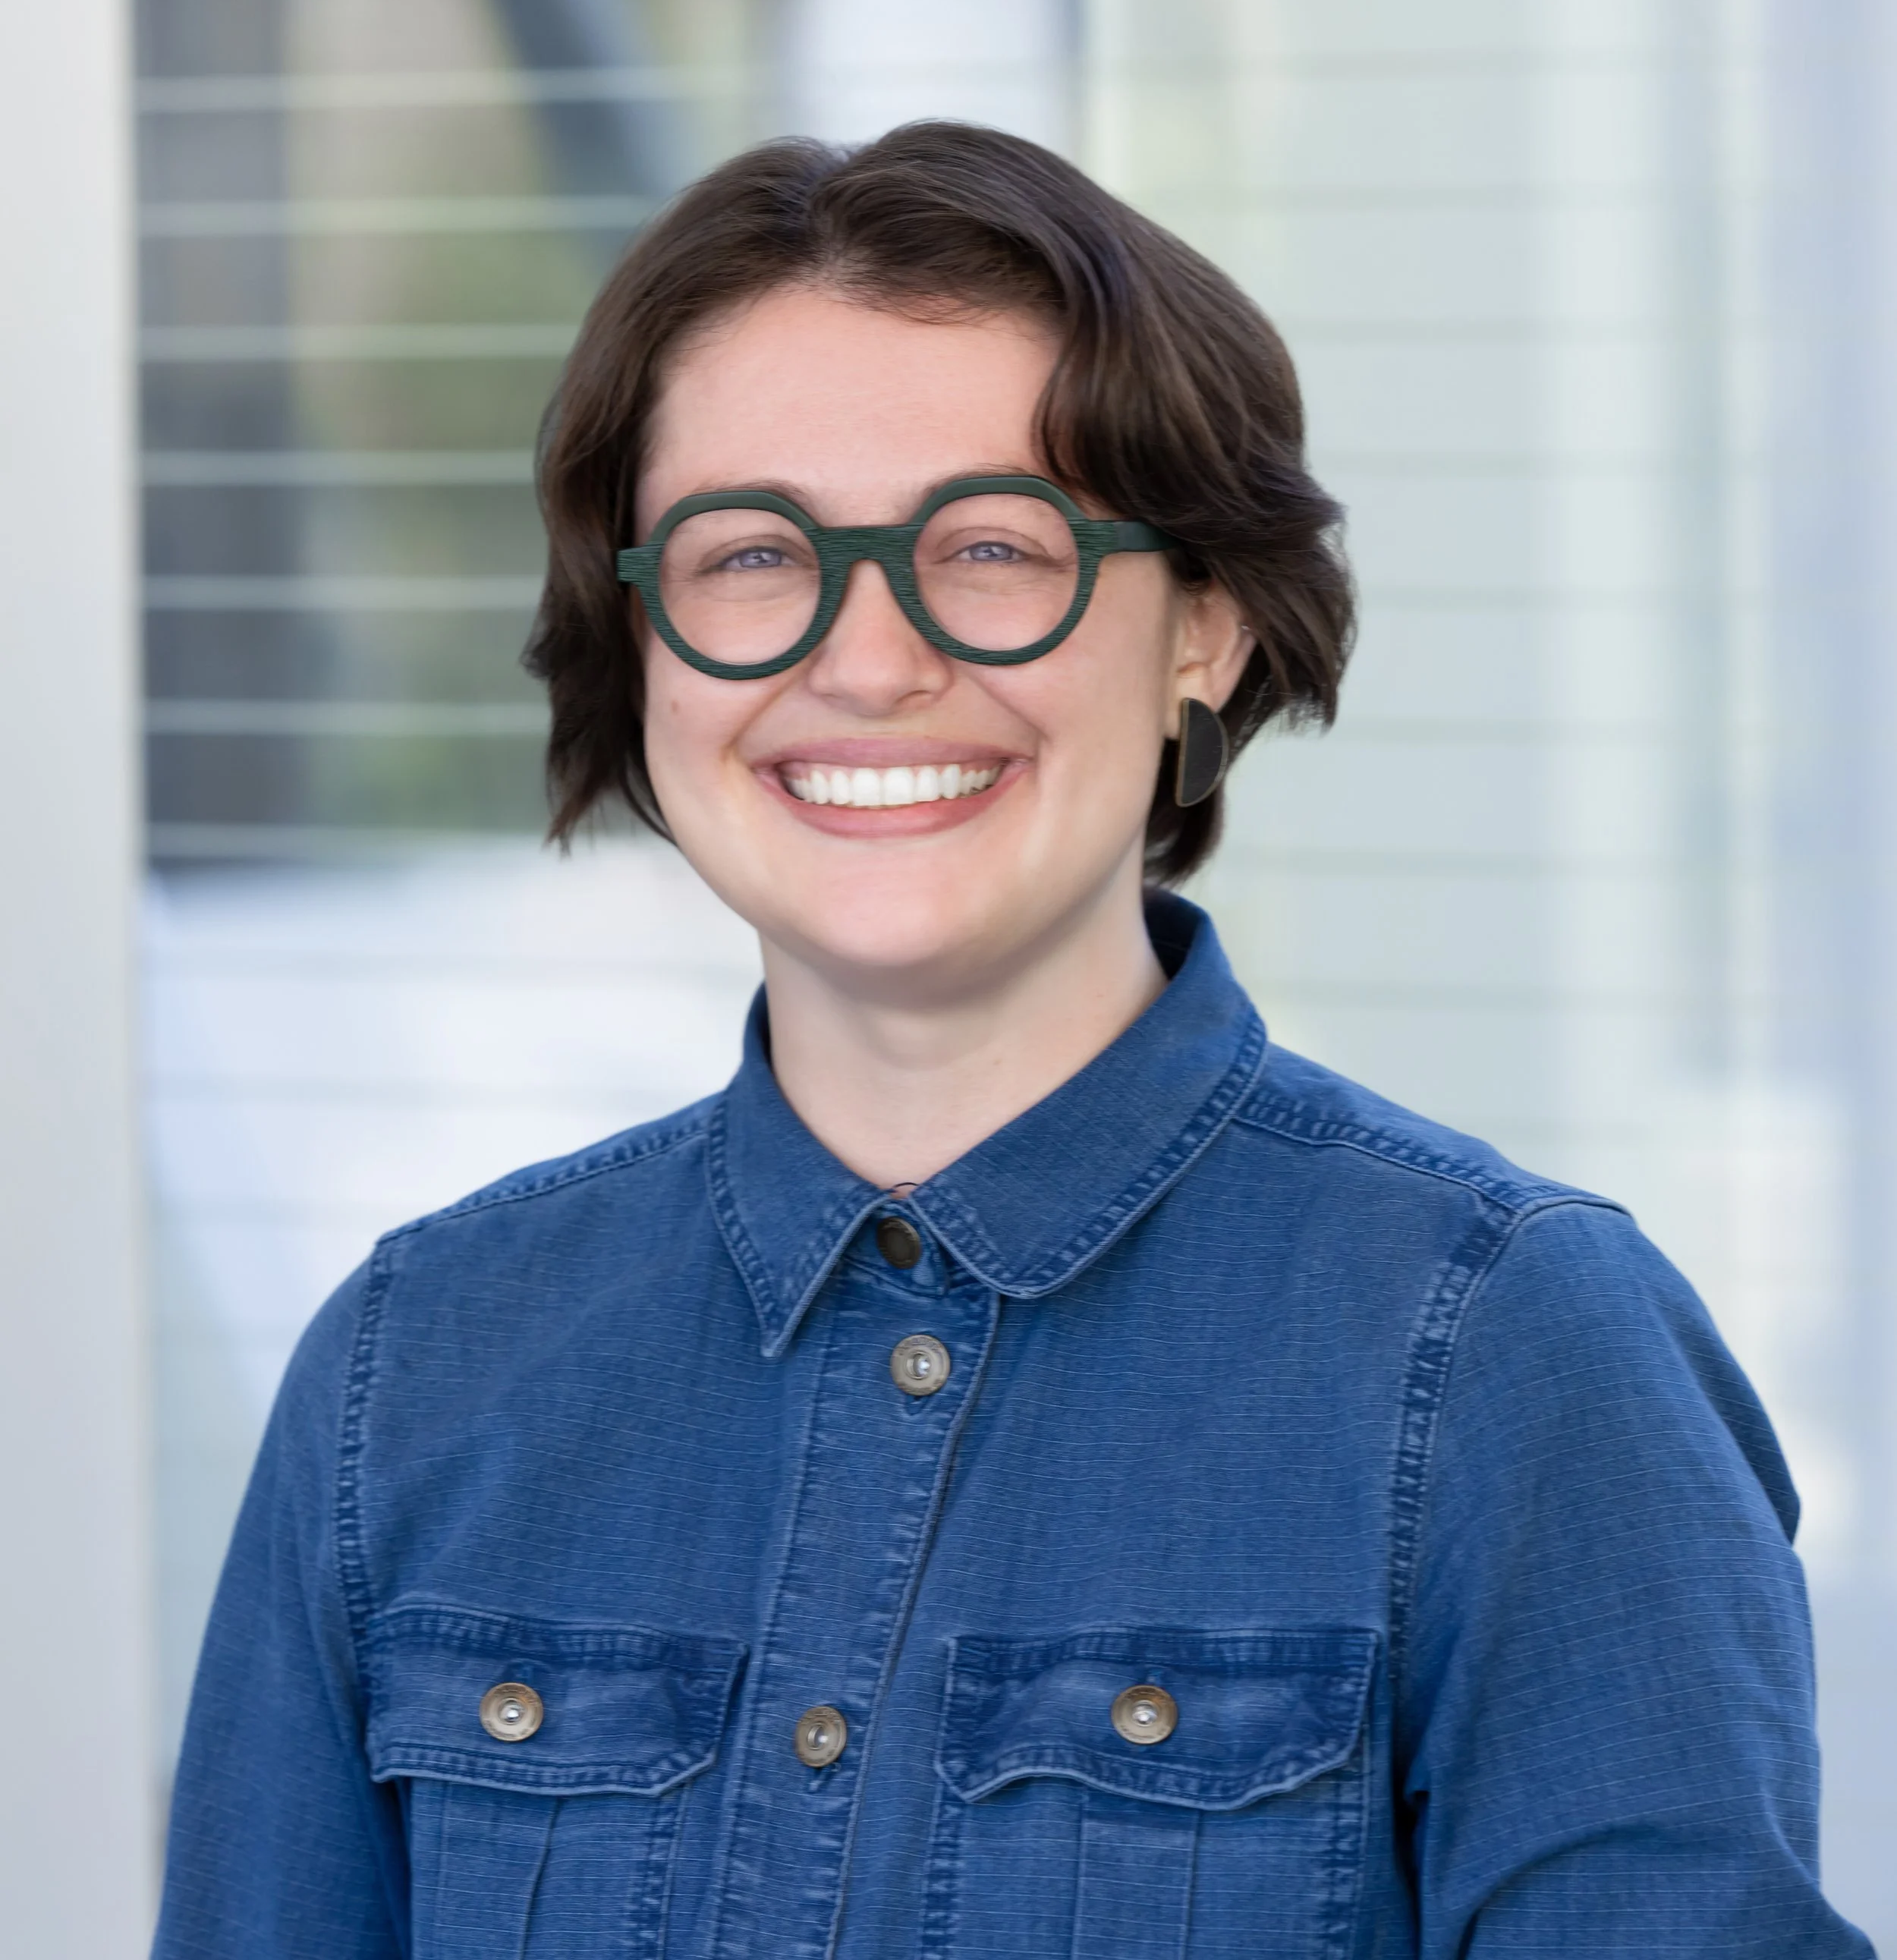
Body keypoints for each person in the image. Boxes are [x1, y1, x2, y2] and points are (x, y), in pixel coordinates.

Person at [153, 121, 1871, 1959]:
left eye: (990, 544)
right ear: (640, 644)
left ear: (1201, 629)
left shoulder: (1512, 1356)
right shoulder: (416, 1369)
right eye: (749, 554)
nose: (868, 658)